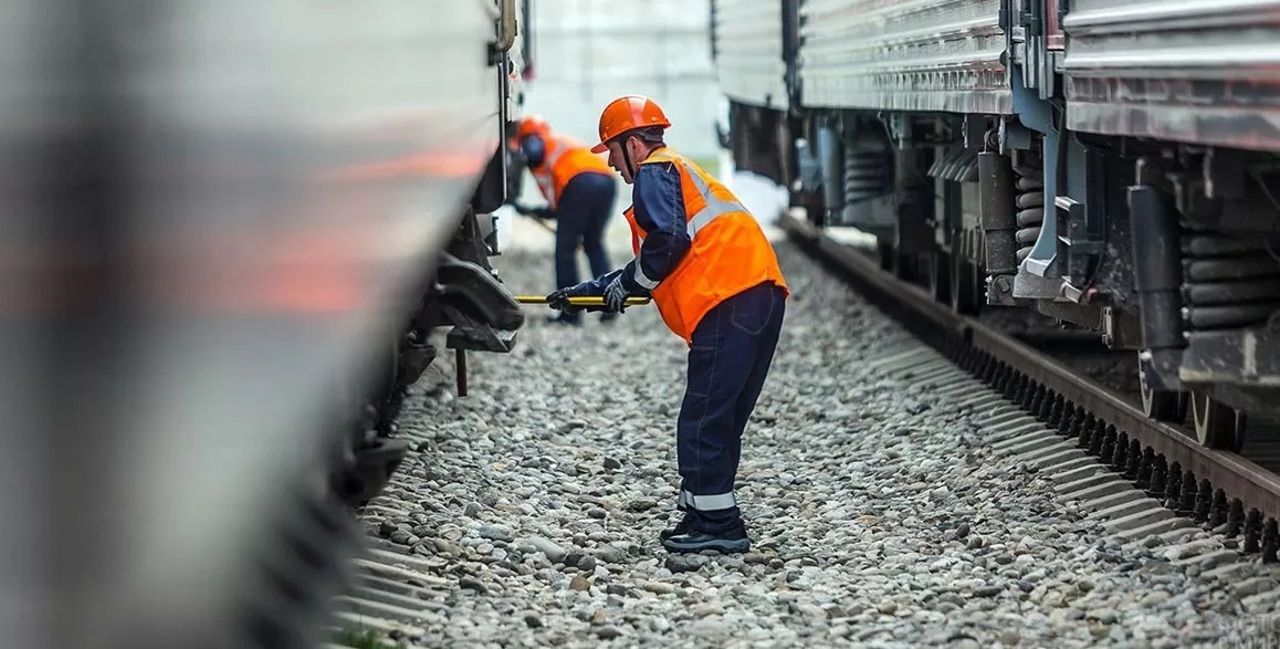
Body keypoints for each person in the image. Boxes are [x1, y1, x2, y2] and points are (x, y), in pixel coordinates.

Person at [545, 95, 789, 554]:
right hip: (756, 296)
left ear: (633, 145)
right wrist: (586, 294)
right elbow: (653, 263)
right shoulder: (677, 171)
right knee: (720, 417)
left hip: (729, 301)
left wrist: (630, 280)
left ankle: (720, 528)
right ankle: (704, 514)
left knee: (702, 418)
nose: (613, 166)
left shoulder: (655, 171)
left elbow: (667, 243)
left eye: (613, 153)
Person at [509, 115, 618, 326]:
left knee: (565, 251)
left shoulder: (537, 143)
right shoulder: (562, 146)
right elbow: (562, 208)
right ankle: (610, 303)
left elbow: (532, 153)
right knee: (593, 243)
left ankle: (570, 314)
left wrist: (514, 164)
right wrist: (533, 210)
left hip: (579, 185)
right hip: (606, 182)